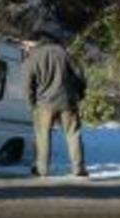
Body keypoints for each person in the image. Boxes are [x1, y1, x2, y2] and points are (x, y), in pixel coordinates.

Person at [23, 34, 88, 178]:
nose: (25, 48)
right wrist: (80, 93)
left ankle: (42, 170)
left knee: (43, 136)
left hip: (44, 104)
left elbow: (27, 83)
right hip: (68, 102)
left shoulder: (33, 57)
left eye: (26, 45)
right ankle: (79, 169)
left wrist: (31, 103)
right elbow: (80, 74)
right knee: (73, 134)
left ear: (34, 44)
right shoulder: (64, 53)